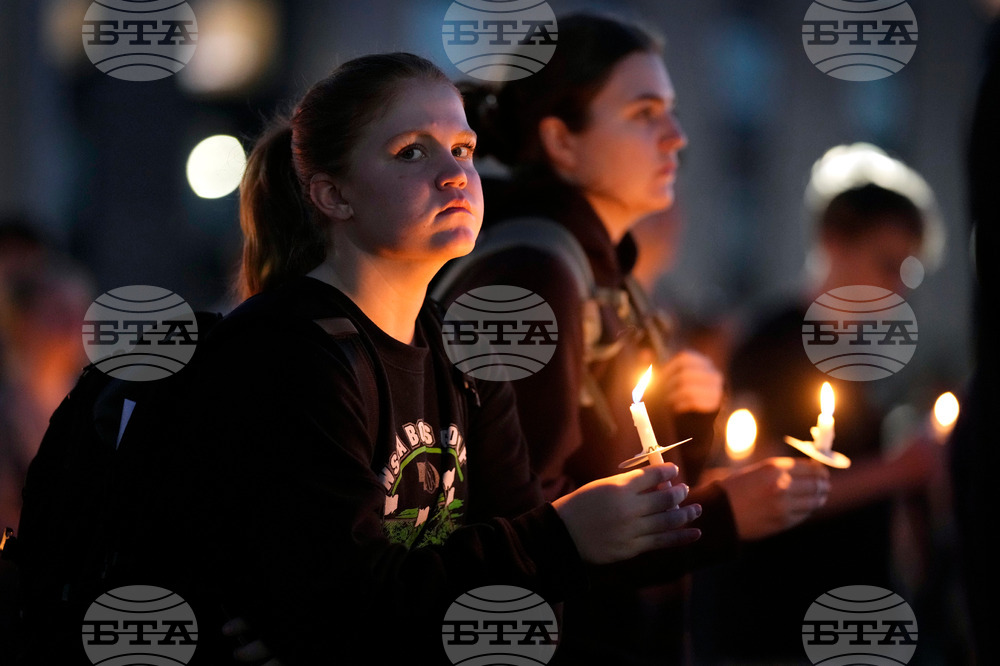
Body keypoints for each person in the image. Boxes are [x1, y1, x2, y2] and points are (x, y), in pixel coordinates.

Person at [102, 52, 703, 666]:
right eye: (412, 152)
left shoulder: (463, 354)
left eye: (463, 149)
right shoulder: (286, 353)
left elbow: (525, 614)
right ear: (333, 194)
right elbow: (345, 608)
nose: (454, 175)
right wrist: (559, 539)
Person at [433, 13, 831, 665]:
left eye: (671, 111)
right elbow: (530, 535)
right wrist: (722, 517)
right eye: (645, 112)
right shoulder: (534, 276)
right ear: (562, 140)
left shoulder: (603, 271)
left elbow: (611, 480)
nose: (676, 138)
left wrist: (691, 430)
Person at [694, 144, 944, 662]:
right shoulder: (772, 346)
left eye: (910, 270)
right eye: (887, 262)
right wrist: (898, 470)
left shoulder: (860, 361)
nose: (897, 285)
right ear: (834, 242)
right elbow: (761, 480)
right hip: (775, 622)